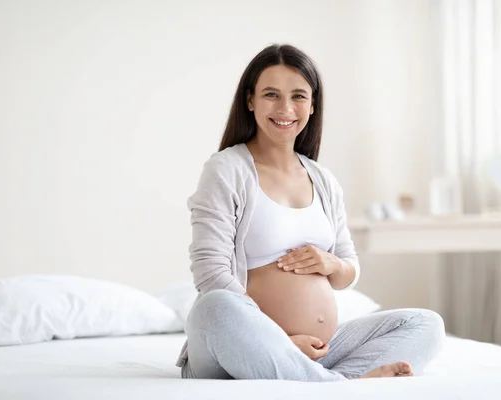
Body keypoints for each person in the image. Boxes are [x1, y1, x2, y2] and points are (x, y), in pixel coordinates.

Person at [176, 44, 445, 381]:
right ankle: (335, 386)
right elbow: (210, 272)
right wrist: (278, 341)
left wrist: (330, 263)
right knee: (214, 307)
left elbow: (348, 270)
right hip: (239, 347)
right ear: (250, 101)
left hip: (319, 350)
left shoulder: (323, 179)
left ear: (313, 104)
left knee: (425, 324)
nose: (286, 108)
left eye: (299, 96)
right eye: (271, 94)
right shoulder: (227, 169)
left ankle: (318, 378)